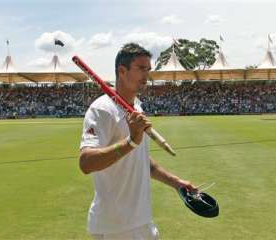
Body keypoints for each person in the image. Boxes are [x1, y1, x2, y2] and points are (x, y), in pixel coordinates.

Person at [79, 43, 197, 240]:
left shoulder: (137, 108)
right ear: (122, 71)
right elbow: (86, 162)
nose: (146, 75)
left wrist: (177, 183)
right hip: (116, 226)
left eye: (148, 69)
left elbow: (142, 161)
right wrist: (131, 141)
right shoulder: (101, 109)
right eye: (141, 68)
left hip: (141, 219)